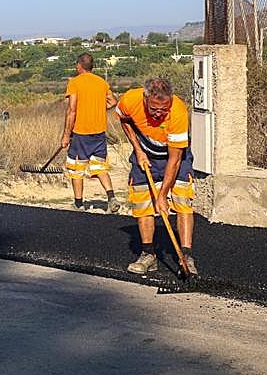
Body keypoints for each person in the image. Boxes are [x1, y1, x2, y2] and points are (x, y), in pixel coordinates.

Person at [115, 77, 197, 276]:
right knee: (143, 203)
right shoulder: (130, 100)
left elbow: (175, 160)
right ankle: (148, 255)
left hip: (174, 157)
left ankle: (185, 257)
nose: (159, 114)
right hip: (144, 155)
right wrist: (138, 150)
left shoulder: (178, 111)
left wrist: (163, 195)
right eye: (154, 109)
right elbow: (123, 119)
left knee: (182, 200)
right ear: (145, 100)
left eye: (164, 109)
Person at [62, 53, 119, 213]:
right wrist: (100, 108)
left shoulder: (75, 83)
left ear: (79, 65)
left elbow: (71, 110)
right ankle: (111, 197)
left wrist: (66, 134)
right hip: (99, 132)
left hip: (81, 133)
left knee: (76, 169)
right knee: (99, 167)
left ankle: (79, 204)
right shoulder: (101, 82)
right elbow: (114, 101)